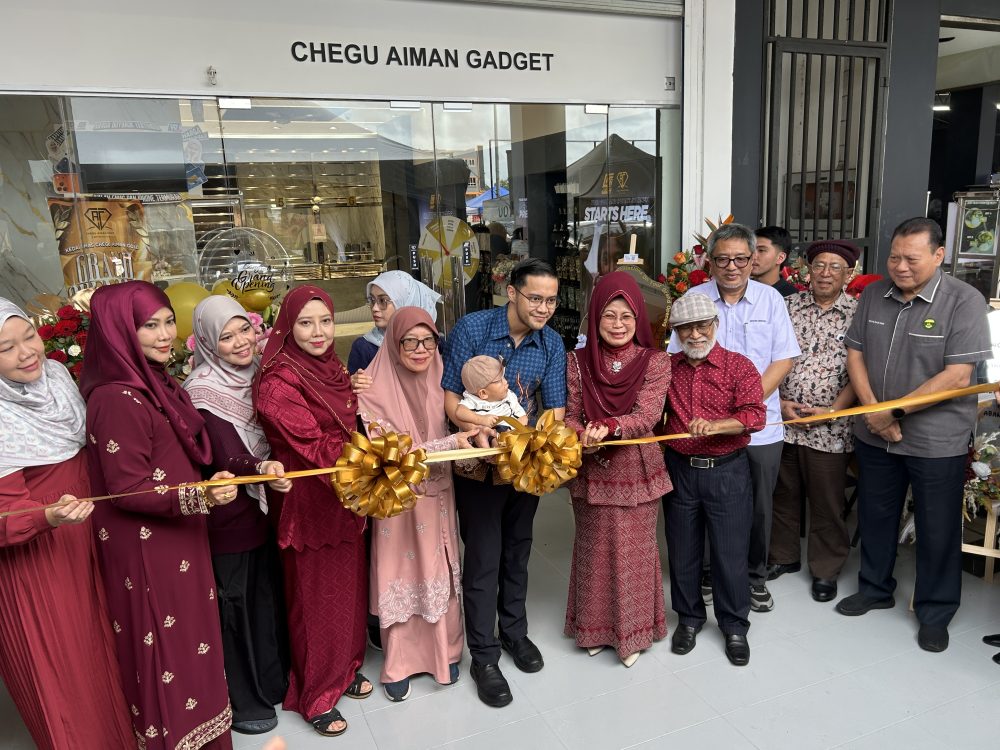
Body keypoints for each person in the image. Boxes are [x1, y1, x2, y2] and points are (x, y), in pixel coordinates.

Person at [81, 280, 240, 749]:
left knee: (194, 645)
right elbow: (126, 489)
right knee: (166, 654)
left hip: (178, 537)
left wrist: (203, 492)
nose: (166, 334)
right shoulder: (116, 397)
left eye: (169, 321)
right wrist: (200, 497)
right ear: (118, 332)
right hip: (147, 551)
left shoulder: (155, 382)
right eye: (149, 326)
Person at [837, 217, 991, 653]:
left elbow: (958, 376)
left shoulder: (964, 301)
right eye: (894, 257)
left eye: (911, 259)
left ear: (938, 255)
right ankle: (874, 588)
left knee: (937, 527)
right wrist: (874, 411)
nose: (900, 267)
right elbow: (855, 353)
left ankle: (935, 611)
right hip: (876, 434)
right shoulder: (874, 294)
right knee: (875, 514)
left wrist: (893, 411)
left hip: (935, 440)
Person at [0, 298, 135, 750]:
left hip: (88, 537)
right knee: (65, 669)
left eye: (29, 337)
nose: (26, 353)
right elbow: (3, 516)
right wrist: (47, 515)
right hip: (38, 560)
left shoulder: (57, 376)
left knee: (107, 650)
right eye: (6, 348)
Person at [443, 257, 567, 708]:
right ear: (511, 292)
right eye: (535, 298)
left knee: (518, 549)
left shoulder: (551, 342)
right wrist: (483, 427)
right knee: (483, 557)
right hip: (478, 464)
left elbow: (555, 409)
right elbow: (450, 399)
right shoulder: (473, 329)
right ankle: (484, 655)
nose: (544, 308)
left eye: (551, 300)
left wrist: (535, 444)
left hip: (524, 465)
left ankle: (514, 632)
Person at [253, 285, 372, 736]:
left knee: (348, 590)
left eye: (325, 321)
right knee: (314, 600)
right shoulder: (277, 381)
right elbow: (313, 445)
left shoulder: (332, 367)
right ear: (288, 326)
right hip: (308, 502)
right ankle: (316, 693)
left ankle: (344, 669)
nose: (318, 332)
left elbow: (347, 420)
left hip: (344, 496)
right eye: (305, 323)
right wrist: (375, 460)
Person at [669, 222, 800, 613]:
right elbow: (676, 360)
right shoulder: (694, 298)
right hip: (702, 433)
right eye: (723, 259)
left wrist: (745, 407)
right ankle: (710, 575)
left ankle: (754, 577)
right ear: (709, 261)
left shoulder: (770, 300)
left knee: (757, 508)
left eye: (741, 259)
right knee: (705, 507)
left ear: (753, 259)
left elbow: (784, 359)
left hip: (760, 428)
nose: (732, 267)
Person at [184, 295, 293, 735]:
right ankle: (245, 700)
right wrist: (261, 468)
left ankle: (273, 682)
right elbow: (226, 454)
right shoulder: (203, 389)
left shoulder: (261, 372)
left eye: (243, 330)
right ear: (208, 343)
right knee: (235, 607)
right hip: (230, 513)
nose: (240, 342)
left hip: (267, 505)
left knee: (266, 597)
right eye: (225, 337)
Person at [357, 307, 477, 701]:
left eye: (428, 340)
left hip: (439, 493)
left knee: (440, 567)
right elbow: (390, 453)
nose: (421, 349)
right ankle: (400, 662)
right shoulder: (371, 387)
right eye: (410, 341)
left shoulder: (444, 377)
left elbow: (462, 423)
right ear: (394, 343)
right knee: (402, 572)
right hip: (397, 499)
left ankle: (446, 652)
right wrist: (449, 444)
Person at [563, 272, 672, 667]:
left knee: (634, 553)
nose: (618, 324)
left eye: (627, 316)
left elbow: (647, 415)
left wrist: (609, 427)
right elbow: (570, 415)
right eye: (609, 315)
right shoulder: (576, 362)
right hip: (592, 468)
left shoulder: (656, 361)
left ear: (638, 318)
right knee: (594, 550)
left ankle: (635, 633)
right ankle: (594, 629)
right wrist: (583, 435)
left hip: (637, 470)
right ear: (595, 317)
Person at [662, 293, 766, 666]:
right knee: (682, 550)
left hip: (728, 472)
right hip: (680, 469)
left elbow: (756, 415)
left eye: (702, 325)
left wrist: (718, 425)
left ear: (715, 325)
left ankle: (734, 626)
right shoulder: (666, 367)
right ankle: (689, 619)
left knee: (730, 553)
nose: (695, 334)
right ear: (675, 332)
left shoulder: (739, 366)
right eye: (685, 328)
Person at [768, 240, 859, 603]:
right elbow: (767, 356)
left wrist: (833, 410)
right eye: (819, 265)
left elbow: (861, 370)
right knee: (782, 493)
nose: (825, 273)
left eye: (835, 267)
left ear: (848, 274)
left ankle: (825, 568)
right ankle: (783, 556)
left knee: (827, 500)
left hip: (831, 425)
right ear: (807, 271)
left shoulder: (858, 313)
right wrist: (779, 404)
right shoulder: (786, 306)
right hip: (783, 418)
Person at [348, 270, 442, 377]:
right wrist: (353, 382)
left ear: (405, 302)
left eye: (383, 301)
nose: (374, 308)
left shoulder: (435, 344)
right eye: (372, 300)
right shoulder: (365, 348)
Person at [455, 355, 527, 429]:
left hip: (510, 433)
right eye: (499, 381)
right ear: (483, 393)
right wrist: (481, 419)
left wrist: (516, 431)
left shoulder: (509, 396)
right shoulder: (473, 400)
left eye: (503, 377)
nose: (506, 382)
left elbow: (523, 417)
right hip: (484, 433)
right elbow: (460, 412)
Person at [752, 226, 798, 297]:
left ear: (780, 258)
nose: (753, 256)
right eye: (751, 250)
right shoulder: (739, 290)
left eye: (761, 250)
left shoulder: (792, 297)